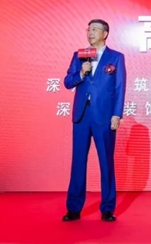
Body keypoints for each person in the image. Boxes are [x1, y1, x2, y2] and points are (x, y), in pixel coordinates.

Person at [62, 19, 126, 222]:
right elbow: (67, 82)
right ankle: (74, 208)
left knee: (106, 162)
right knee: (78, 162)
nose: (90, 33)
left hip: (104, 117)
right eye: (89, 29)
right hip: (81, 115)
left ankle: (107, 208)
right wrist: (81, 72)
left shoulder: (116, 57)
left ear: (105, 34)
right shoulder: (79, 55)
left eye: (95, 29)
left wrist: (117, 114)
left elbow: (119, 88)